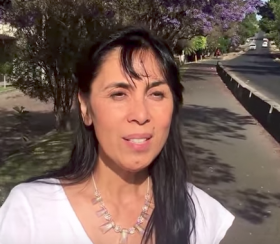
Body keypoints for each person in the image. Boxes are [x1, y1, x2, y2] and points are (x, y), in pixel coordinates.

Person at [0, 26, 234, 244]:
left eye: (156, 94)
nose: (140, 114)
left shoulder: (202, 215)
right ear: (85, 107)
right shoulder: (30, 213)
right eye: (119, 94)